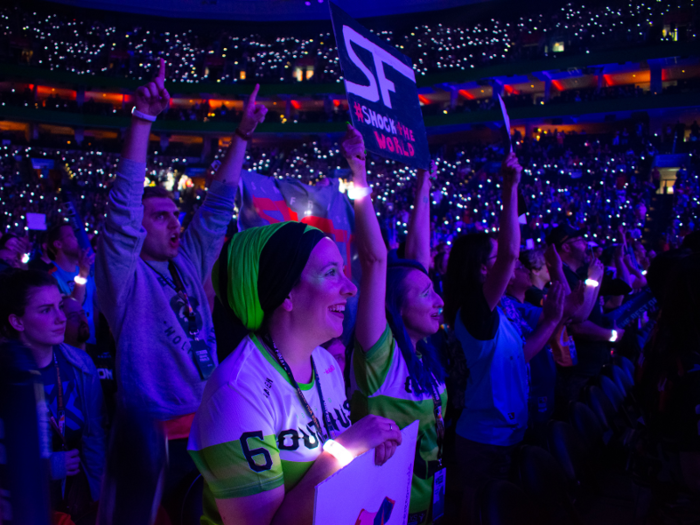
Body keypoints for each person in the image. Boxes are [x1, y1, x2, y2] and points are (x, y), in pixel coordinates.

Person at [95, 59, 266, 523]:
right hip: (151, 439)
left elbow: (215, 210)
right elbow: (123, 214)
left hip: (207, 429)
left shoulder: (186, 264)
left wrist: (242, 137)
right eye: (161, 216)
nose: (176, 222)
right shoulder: (123, 281)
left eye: (175, 213)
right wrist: (143, 120)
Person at [187, 219, 402, 525]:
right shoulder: (236, 391)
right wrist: (347, 447)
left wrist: (369, 452)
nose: (350, 288)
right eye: (331, 273)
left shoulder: (326, 366)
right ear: (286, 293)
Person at [443, 153, 564, 524]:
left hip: (505, 434)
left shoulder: (496, 316)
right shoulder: (472, 313)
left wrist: (551, 321)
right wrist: (510, 186)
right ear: (483, 270)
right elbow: (511, 252)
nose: (508, 264)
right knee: (479, 515)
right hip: (483, 442)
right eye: (494, 260)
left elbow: (518, 357)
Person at [346, 127, 446, 525]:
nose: (439, 301)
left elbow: (418, 260)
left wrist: (423, 186)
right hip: (384, 506)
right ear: (396, 308)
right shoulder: (379, 356)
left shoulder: (423, 353)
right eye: (426, 296)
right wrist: (358, 173)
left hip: (429, 498)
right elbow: (376, 260)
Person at [0, 269, 106, 517]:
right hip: (21, 508)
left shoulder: (81, 365)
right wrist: (46, 466)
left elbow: (94, 436)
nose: (60, 318)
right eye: (46, 310)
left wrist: (97, 495)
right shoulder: (8, 377)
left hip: (76, 500)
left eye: (59, 305)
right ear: (17, 321)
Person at [546, 224, 614, 401]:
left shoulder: (573, 275)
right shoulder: (561, 277)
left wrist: (596, 278)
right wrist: (592, 279)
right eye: (581, 241)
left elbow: (588, 308)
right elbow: (578, 319)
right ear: (566, 247)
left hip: (588, 365)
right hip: (578, 369)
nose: (587, 245)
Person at [47, 224, 98, 346]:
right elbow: (73, 307)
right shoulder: (51, 275)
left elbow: (94, 306)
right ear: (58, 244)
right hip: (69, 344)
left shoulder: (84, 269)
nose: (77, 239)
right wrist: (82, 275)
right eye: (71, 236)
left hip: (90, 340)